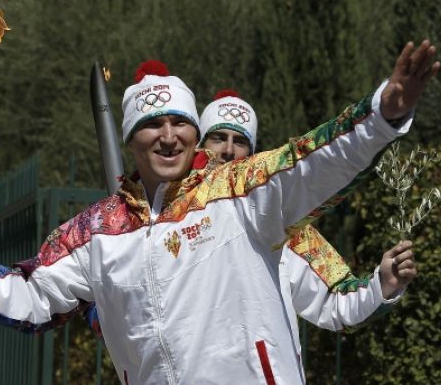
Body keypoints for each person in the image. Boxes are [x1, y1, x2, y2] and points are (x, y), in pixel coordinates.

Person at [0, 41, 439, 384]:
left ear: (192, 131)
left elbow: (311, 159)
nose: (167, 136)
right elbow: (31, 297)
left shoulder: (237, 192)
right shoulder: (94, 231)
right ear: (132, 138)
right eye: (151, 125)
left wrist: (383, 115)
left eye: (179, 123)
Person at [83, 90, 418, 379]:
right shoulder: (139, 229)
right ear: (197, 144)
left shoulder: (286, 228)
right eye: (219, 137)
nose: (229, 150)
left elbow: (337, 303)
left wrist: (380, 287)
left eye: (240, 140)